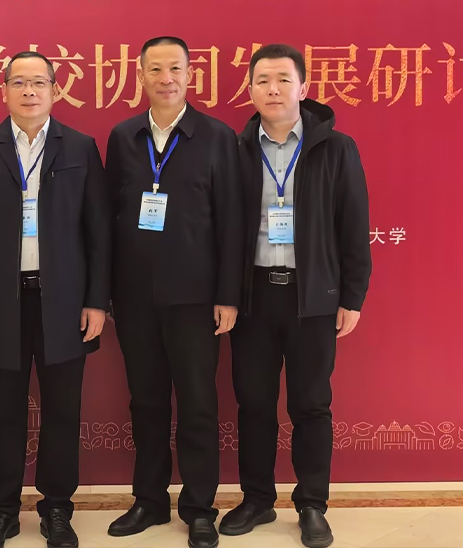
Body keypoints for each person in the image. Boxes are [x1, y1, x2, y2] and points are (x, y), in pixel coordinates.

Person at [0, 51, 111, 548]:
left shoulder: (80, 147)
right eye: (18, 82)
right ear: (3, 91)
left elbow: (99, 232)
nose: (29, 91)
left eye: (38, 82)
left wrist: (97, 301)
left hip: (64, 302)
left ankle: (57, 508)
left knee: (63, 410)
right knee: (4, 413)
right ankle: (1, 510)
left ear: (54, 90)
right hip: (0, 304)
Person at [220, 44, 371, 548]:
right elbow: (223, 230)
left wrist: (352, 296)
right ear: (249, 89)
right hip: (254, 296)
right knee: (254, 403)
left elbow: (354, 225)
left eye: (284, 79)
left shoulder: (336, 148)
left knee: (311, 404)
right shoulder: (236, 148)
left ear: (303, 88)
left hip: (313, 298)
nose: (273, 89)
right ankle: (257, 499)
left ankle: (311, 504)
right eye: (262, 80)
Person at [104, 36, 244, 548]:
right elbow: (108, 219)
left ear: (190, 75)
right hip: (135, 299)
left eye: (176, 69)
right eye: (156, 70)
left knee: (198, 403)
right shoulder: (123, 137)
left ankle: (200, 507)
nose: (166, 79)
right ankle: (149, 499)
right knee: (145, 402)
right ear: (140, 75)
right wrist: (108, 293)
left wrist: (228, 295)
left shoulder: (216, 136)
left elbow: (232, 222)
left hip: (196, 300)